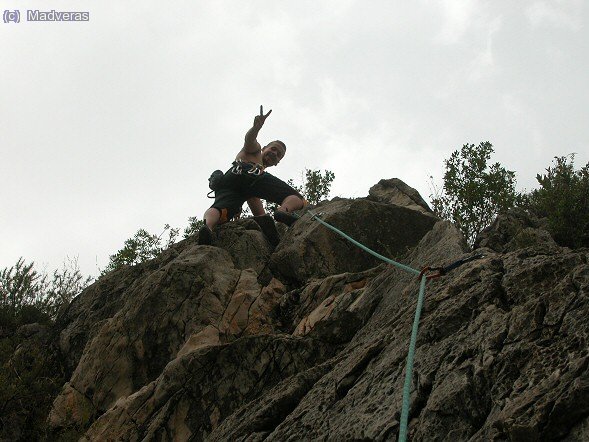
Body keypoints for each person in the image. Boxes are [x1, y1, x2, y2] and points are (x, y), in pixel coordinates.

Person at [198, 106, 305, 246]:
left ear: (278, 162)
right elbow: (249, 139)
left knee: (220, 209)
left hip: (230, 181)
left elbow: (253, 200)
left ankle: (207, 227)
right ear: (264, 148)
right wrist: (256, 127)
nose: (274, 154)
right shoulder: (254, 151)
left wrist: (264, 220)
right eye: (273, 149)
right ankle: (283, 210)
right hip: (248, 172)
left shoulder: (253, 178)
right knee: (298, 199)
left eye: (278, 155)